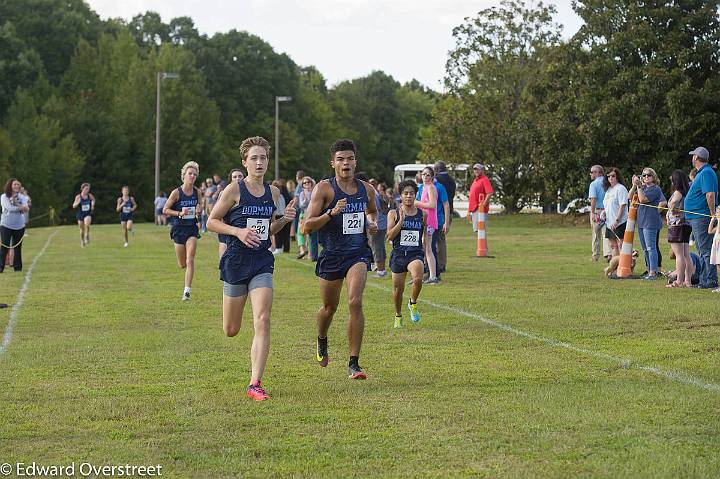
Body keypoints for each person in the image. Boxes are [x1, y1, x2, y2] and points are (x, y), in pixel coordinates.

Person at [207, 136, 297, 401]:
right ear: (245, 162)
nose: (259, 162)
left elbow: (268, 229)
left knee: (263, 319)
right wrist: (237, 231)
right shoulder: (234, 190)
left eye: (263, 158)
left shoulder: (273, 193)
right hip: (236, 261)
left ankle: (255, 383)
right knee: (231, 329)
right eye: (254, 158)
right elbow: (212, 222)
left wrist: (284, 220)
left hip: (260, 261)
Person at [303, 139, 378, 380]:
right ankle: (322, 338)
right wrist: (331, 212)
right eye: (340, 159)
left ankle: (354, 363)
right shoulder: (324, 189)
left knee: (355, 301)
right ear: (333, 163)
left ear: (356, 161)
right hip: (332, 255)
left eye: (349, 159)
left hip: (357, 254)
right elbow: (306, 226)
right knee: (329, 308)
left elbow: (373, 210)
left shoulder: (366, 189)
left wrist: (372, 223)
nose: (345, 163)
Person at [387, 180, 426, 328]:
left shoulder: (422, 214)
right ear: (401, 195)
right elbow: (390, 236)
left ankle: (413, 303)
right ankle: (398, 315)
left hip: (415, 253)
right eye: (406, 193)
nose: (409, 196)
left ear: (415, 195)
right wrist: (401, 221)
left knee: (417, 279)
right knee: (398, 290)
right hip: (398, 254)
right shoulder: (393, 213)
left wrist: (426, 253)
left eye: (412, 193)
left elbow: (425, 236)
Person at [163, 161, 203, 300]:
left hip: (191, 228)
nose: (192, 176)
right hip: (178, 229)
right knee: (182, 264)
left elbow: (200, 205)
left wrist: (199, 210)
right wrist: (179, 213)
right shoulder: (176, 193)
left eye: (194, 174)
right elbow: (165, 209)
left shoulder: (197, 192)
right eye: (190, 174)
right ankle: (185, 273)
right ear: (184, 176)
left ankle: (186, 292)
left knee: (190, 260)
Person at [684, 146, 718, 289]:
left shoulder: (707, 173)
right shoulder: (702, 173)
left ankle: (710, 280)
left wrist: (712, 215)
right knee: (701, 249)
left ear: (696, 158)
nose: (692, 158)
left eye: (693, 156)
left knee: (705, 250)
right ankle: (704, 279)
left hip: (701, 217)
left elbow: (710, 194)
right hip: (695, 217)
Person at [629, 168, 666, 279]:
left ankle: (653, 272)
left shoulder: (656, 189)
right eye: (643, 175)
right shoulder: (642, 187)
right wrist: (634, 186)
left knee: (651, 248)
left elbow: (643, 199)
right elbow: (629, 197)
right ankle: (649, 270)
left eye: (648, 175)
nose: (645, 177)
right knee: (645, 248)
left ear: (653, 177)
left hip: (651, 222)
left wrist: (639, 186)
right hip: (641, 222)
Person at [666, 170, 693, 288]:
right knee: (686, 254)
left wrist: (671, 209)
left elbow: (673, 203)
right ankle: (688, 281)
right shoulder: (687, 192)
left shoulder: (678, 192)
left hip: (677, 225)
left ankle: (679, 281)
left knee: (679, 255)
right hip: (686, 224)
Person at [414, 167, 438, 284]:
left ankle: (433, 276)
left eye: (428, 175)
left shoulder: (431, 188)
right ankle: (422, 274)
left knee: (428, 248)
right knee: (423, 248)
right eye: (423, 174)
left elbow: (433, 205)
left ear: (432, 177)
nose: (425, 176)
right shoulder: (422, 188)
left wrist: (418, 203)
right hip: (424, 219)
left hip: (430, 220)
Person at [1, 179, 29, 272]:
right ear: (10, 185)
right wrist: (21, 208)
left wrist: (17, 203)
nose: (17, 186)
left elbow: (26, 209)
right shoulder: (4, 196)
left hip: (19, 225)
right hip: (6, 225)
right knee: (4, 246)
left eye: (18, 184)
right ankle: (1, 267)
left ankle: (17, 268)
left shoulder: (23, 197)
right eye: (15, 184)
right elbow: (9, 208)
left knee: (17, 247)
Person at [218, 168, 245, 259]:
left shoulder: (248, 192)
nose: (237, 178)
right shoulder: (224, 193)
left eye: (240, 176)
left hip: (242, 229)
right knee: (224, 260)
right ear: (231, 179)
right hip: (226, 228)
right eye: (235, 177)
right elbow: (217, 214)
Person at [434, 161, 455, 273]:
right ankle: (442, 264)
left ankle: (434, 264)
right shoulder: (452, 180)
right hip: (450, 211)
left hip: (439, 212)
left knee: (433, 239)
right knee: (441, 239)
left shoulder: (437, 180)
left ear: (436, 170)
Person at [602, 167, 628, 257]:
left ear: (617, 177)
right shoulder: (608, 190)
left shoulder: (621, 188)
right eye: (608, 176)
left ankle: (623, 268)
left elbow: (623, 205)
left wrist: (617, 221)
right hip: (609, 223)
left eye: (613, 176)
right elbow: (607, 205)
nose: (610, 178)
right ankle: (614, 269)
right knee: (613, 246)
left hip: (620, 222)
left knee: (621, 245)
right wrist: (604, 213)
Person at [468, 164, 494, 250]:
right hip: (474, 209)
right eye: (475, 169)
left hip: (480, 209)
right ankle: (482, 248)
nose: (476, 171)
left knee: (480, 229)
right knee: (478, 230)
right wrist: (469, 210)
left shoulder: (484, 179)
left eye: (478, 169)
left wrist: (483, 205)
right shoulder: (475, 180)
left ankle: (483, 249)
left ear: (482, 170)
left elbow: (489, 193)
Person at [588, 165, 611, 262]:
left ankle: (595, 255)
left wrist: (593, 213)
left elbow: (593, 199)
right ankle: (608, 254)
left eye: (592, 172)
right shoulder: (608, 182)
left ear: (598, 173)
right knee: (606, 233)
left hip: (597, 210)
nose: (591, 174)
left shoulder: (593, 184)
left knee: (596, 234)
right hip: (608, 211)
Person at [370, 182, 392, 278]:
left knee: (377, 247)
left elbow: (375, 209)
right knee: (380, 247)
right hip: (382, 222)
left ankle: (381, 271)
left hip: (377, 223)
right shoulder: (375, 193)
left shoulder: (372, 193)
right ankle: (381, 269)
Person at [296, 176, 316, 259]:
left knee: (309, 234)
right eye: (304, 183)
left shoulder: (315, 192)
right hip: (303, 215)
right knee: (300, 233)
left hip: (312, 215)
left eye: (308, 182)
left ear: (311, 183)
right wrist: (307, 200)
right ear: (302, 185)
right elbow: (301, 205)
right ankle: (302, 250)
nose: (307, 184)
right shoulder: (302, 193)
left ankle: (309, 253)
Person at [72, 183, 95, 248]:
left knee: (87, 223)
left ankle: (87, 234)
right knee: (82, 230)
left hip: (87, 213)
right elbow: (73, 206)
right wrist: (77, 203)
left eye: (88, 189)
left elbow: (93, 200)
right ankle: (82, 241)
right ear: (82, 189)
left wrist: (92, 205)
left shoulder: (90, 196)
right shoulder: (78, 197)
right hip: (80, 214)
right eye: (86, 189)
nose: (87, 190)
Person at [709, 206, 720, 293]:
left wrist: (719, 220)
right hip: (716, 247)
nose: (716, 213)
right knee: (717, 266)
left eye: (717, 212)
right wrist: (712, 220)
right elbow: (710, 231)